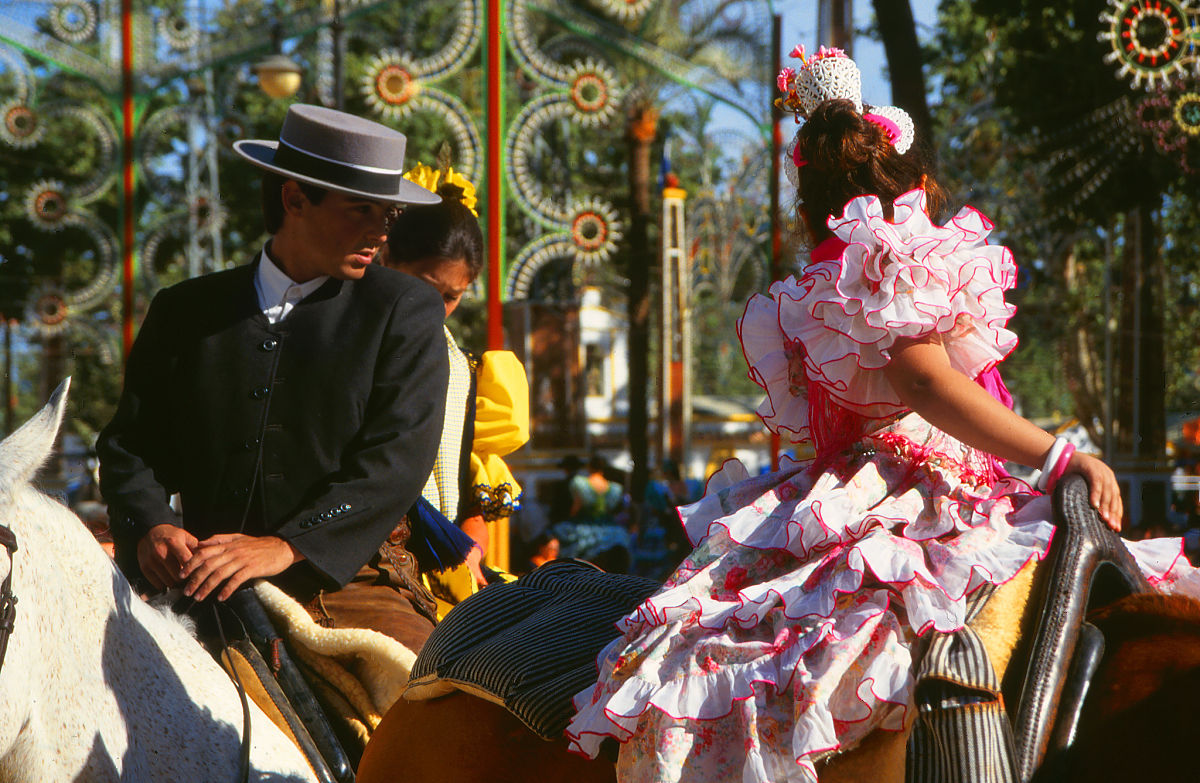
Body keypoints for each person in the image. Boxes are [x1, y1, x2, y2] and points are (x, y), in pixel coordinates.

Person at [562, 47, 1200, 781]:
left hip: (846, 493)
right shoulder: (888, 260)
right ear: (916, 190)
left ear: (807, 205)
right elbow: (926, 384)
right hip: (911, 493)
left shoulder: (821, 278)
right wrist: (1061, 455)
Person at [97, 104, 450, 653]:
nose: (380, 232)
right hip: (199, 585)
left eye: (389, 215)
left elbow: (397, 459)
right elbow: (130, 447)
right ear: (293, 198)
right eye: (362, 210)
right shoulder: (184, 311)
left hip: (351, 584)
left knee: (422, 707)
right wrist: (150, 526)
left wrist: (287, 546)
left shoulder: (404, 309)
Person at [379, 167, 530, 609]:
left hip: (449, 570)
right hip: (379, 566)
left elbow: (466, 503)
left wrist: (470, 551)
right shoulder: (357, 349)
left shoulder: (464, 370)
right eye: (425, 288)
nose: (436, 310)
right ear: (386, 257)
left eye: (452, 296)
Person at [551, 454, 632, 572]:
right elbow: (613, 510)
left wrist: (570, 517)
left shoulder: (580, 483)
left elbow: (576, 507)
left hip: (584, 526)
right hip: (609, 528)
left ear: (589, 467)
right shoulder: (614, 488)